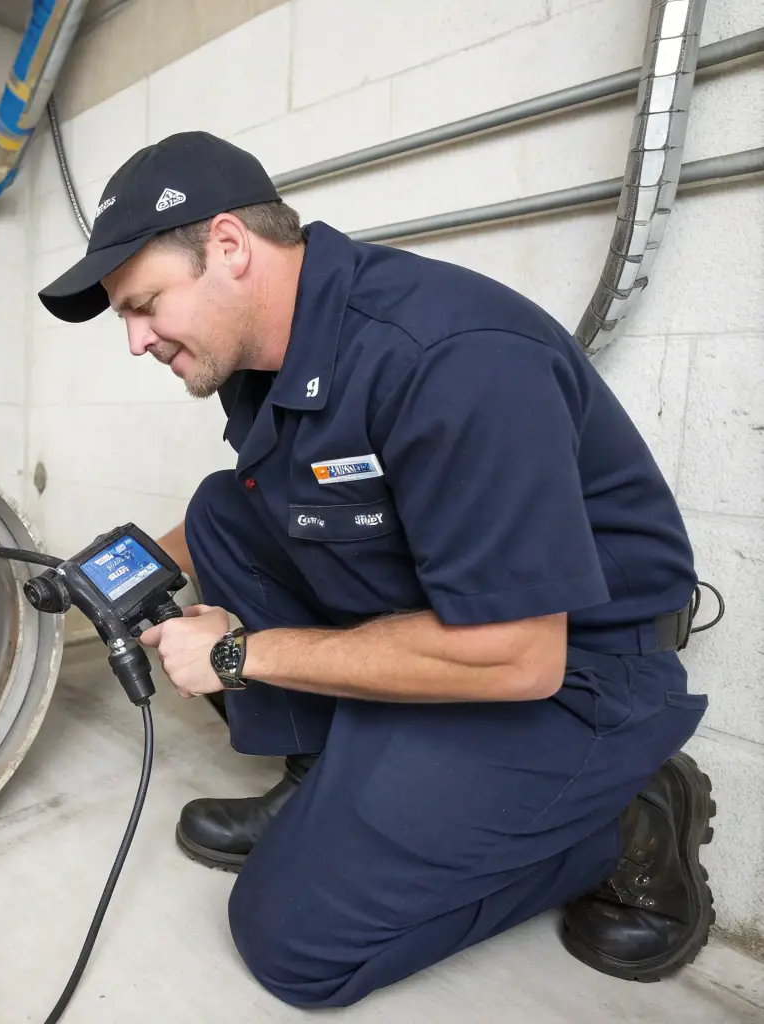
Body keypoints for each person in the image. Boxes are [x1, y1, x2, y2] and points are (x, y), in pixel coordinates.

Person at [36, 131, 720, 1008]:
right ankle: (327, 773)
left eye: (143, 304)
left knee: (290, 941)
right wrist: (116, 566)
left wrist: (242, 654)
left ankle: (624, 817)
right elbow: (272, 502)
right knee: (218, 511)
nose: (135, 341)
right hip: (464, 625)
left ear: (230, 248)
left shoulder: (450, 357)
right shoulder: (267, 355)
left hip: (575, 676)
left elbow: (520, 656)